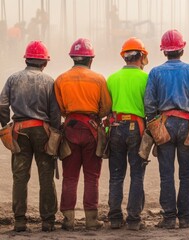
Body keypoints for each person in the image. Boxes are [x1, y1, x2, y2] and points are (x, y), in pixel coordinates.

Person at [144, 29, 189, 229]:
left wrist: (154, 123)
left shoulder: (156, 72)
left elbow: (150, 103)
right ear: (182, 50)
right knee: (186, 174)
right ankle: (185, 218)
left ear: (164, 52)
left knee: (166, 174)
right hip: (187, 124)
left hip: (165, 123)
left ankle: (169, 218)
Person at [0, 41, 60, 232]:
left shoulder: (13, 79)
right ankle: (48, 221)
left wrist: (5, 127)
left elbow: (2, 106)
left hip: (19, 132)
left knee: (19, 177)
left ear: (26, 59)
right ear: (45, 62)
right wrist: (55, 133)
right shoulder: (49, 81)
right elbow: (55, 113)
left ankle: (19, 221)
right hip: (42, 132)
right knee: (46, 176)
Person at [54, 38, 112, 231]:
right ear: (90, 60)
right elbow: (105, 107)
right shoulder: (98, 79)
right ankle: (91, 219)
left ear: (73, 58)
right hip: (91, 131)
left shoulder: (61, 79)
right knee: (91, 177)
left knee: (70, 177)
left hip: (70, 129)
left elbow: (60, 108)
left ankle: (68, 220)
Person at [106, 37, 149, 231]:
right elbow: (150, 107)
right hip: (136, 128)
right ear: (141, 56)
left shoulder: (112, 78)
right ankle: (133, 219)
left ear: (124, 57)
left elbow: (107, 109)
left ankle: (115, 218)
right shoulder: (146, 78)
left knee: (116, 175)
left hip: (115, 128)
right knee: (137, 174)